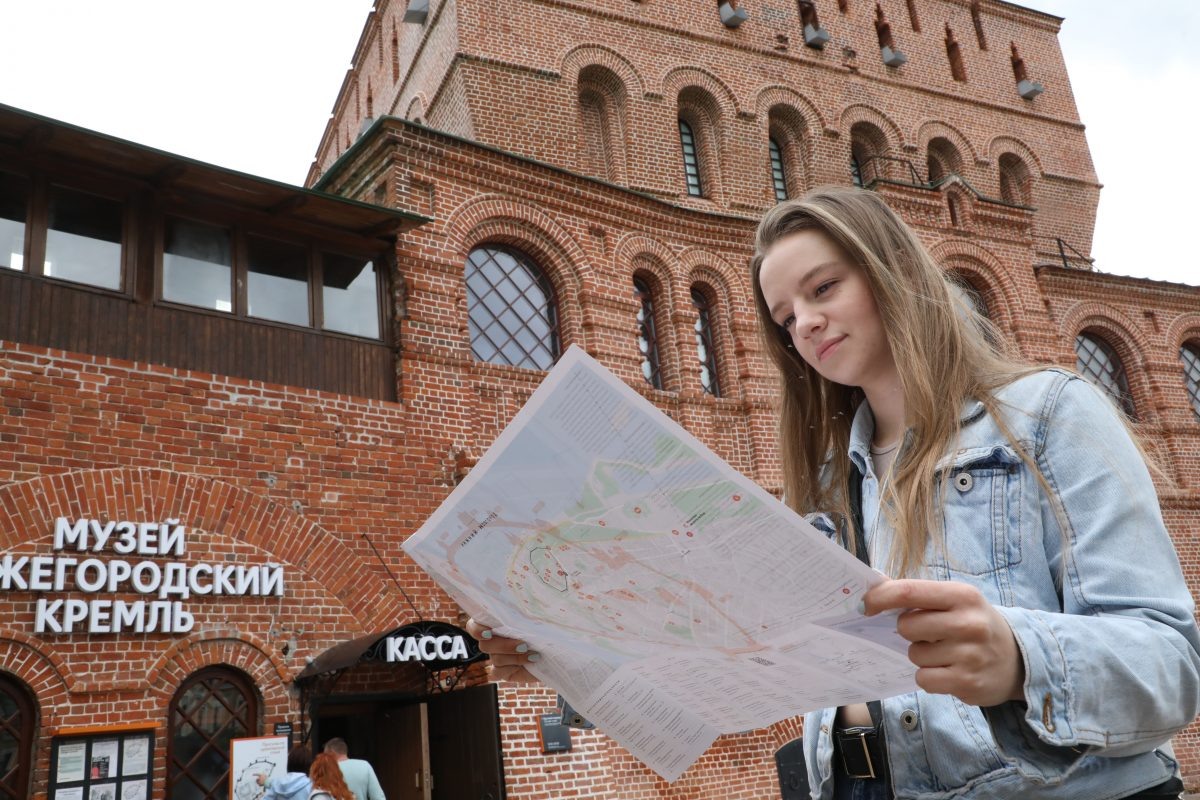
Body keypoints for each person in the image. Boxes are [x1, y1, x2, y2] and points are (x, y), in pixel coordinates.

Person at [471, 185, 1200, 799]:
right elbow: (727, 658)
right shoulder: (823, 483)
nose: (806, 323)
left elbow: (1171, 665)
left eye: (823, 289)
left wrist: (1019, 657)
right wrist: (563, 647)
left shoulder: (1048, 416)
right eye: (786, 318)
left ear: (890, 271)